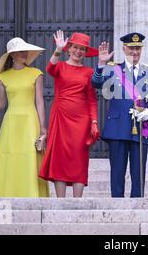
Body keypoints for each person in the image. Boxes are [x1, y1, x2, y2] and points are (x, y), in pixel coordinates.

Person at [91, 32, 148, 198]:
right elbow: (96, 83)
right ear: (124, 48)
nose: (134, 52)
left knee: (138, 175)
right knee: (117, 173)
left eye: (137, 48)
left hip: (140, 129)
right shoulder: (113, 69)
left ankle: (137, 207)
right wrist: (101, 64)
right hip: (118, 128)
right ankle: (117, 207)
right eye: (131, 48)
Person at [0, 37, 49, 197]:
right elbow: (0, 104)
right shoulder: (2, 77)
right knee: (10, 156)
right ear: (11, 55)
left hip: (30, 121)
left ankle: (31, 194)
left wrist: (42, 126)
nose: (24, 53)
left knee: (30, 157)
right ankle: (7, 193)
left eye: (25, 50)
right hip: (10, 122)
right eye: (20, 51)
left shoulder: (36, 74)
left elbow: (39, 101)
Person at [39, 30, 100, 198]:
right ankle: (60, 202)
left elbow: (92, 100)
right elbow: (50, 68)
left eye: (82, 49)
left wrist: (94, 121)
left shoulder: (89, 72)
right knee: (61, 158)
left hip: (81, 121)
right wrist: (58, 49)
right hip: (60, 118)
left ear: (86, 53)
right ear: (69, 48)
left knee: (79, 158)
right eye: (75, 48)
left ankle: (77, 202)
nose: (78, 52)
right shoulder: (60, 66)